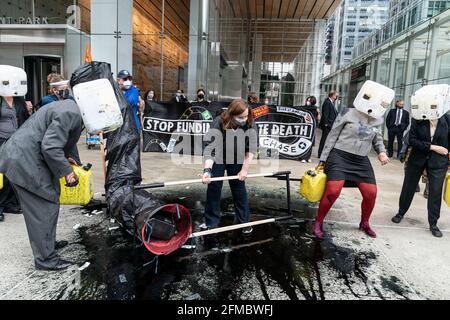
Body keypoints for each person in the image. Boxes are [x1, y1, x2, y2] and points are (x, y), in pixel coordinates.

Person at [0, 96, 83, 270]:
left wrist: (66, 158)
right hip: (25, 161)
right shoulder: (71, 112)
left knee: (47, 203)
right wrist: (67, 172)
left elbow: (50, 137)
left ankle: (47, 244)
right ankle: (46, 260)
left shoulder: (68, 107)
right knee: (43, 206)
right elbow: (51, 146)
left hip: (23, 156)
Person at [313, 81, 393, 240]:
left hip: (361, 160)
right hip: (339, 156)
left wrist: (382, 152)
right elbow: (332, 136)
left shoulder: (379, 119)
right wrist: (323, 160)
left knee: (371, 193)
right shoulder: (347, 113)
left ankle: (364, 223)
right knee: (333, 191)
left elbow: (377, 139)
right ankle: (318, 222)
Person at [391, 85, 450, 238]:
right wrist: (433, 147)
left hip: (439, 163)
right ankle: (401, 212)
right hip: (417, 159)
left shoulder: (448, 120)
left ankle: (433, 223)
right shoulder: (418, 118)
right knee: (408, 187)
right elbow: (412, 140)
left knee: (435, 192)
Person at [202, 99, 258, 238]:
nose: (244, 120)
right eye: (240, 117)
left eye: (246, 116)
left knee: (239, 187)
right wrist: (207, 171)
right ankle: (211, 222)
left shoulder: (250, 123)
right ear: (232, 114)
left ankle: (244, 222)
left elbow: (250, 150)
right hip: (219, 155)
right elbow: (210, 149)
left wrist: (244, 170)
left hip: (237, 156)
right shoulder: (219, 121)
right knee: (214, 186)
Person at [0, 65, 33, 222]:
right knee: (2, 175)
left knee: (15, 172)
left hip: (17, 140)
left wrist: (30, 110)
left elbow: (26, 119)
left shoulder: (19, 98)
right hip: (1, 140)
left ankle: (10, 204)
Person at [318, 91, 339, 158]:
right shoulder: (327, 102)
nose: (337, 96)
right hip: (327, 125)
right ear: (332, 95)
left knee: (327, 139)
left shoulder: (331, 102)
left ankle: (324, 153)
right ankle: (320, 153)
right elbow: (325, 114)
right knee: (324, 139)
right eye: (336, 95)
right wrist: (326, 124)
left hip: (330, 125)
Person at [301, 96, 320, 163]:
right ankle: (303, 157)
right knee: (304, 142)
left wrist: (318, 113)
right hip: (305, 128)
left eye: (309, 100)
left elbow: (318, 119)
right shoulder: (304, 108)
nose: (308, 102)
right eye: (307, 100)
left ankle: (308, 157)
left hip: (312, 128)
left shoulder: (315, 109)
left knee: (310, 143)